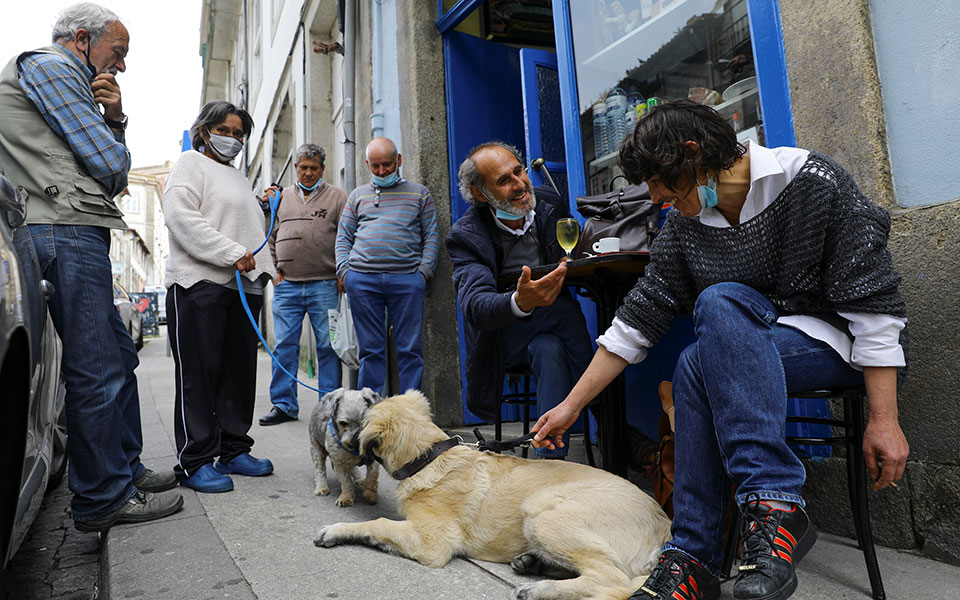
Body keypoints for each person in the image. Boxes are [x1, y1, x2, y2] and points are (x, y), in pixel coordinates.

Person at [531, 100, 909, 600]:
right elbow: (636, 321)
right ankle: (696, 552)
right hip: (745, 349)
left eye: (666, 184)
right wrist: (570, 407)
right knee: (695, 358)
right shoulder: (687, 226)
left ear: (694, 153)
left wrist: (884, 418)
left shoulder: (812, 181)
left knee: (715, 303)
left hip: (837, 343)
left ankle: (759, 510)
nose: (660, 198)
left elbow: (874, 307)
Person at [0, 2, 182, 531]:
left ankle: (124, 471)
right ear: (82, 38)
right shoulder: (53, 66)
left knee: (117, 355)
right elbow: (109, 165)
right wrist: (114, 135)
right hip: (62, 227)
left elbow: (112, 175)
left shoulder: (69, 76)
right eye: (117, 53)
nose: (120, 66)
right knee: (96, 366)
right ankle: (103, 497)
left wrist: (117, 120)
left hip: (72, 224)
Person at [446, 141, 593, 459]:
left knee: (549, 348)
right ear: (481, 194)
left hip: (547, 333)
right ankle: (601, 404)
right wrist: (519, 301)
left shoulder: (549, 204)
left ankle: (548, 464)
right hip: (501, 340)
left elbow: (573, 256)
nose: (519, 184)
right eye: (503, 180)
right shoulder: (466, 235)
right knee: (564, 310)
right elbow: (475, 306)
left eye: (519, 171)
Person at [163, 100, 277, 493]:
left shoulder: (239, 178)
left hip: (243, 289)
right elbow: (181, 218)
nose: (231, 139)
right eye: (224, 130)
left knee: (238, 374)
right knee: (199, 375)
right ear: (205, 131)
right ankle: (194, 460)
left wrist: (265, 269)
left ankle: (233, 449)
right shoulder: (189, 165)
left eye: (238, 134)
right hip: (200, 285)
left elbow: (246, 226)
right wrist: (232, 254)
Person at [335, 137, 440, 394]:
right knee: (370, 350)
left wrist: (423, 274)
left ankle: (409, 411)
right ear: (367, 164)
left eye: (388, 165)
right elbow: (343, 237)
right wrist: (346, 273)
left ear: (399, 160)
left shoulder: (419, 193)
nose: (382, 171)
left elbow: (432, 236)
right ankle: (368, 412)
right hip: (362, 280)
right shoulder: (357, 196)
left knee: (410, 350)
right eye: (376, 166)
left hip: (407, 280)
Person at [258, 143, 348, 426]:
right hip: (287, 285)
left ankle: (330, 408)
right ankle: (284, 405)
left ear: (322, 169)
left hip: (325, 284)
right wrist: (274, 272)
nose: (308, 172)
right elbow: (269, 234)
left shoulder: (337, 197)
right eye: (303, 167)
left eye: (314, 168)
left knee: (327, 346)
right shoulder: (280, 197)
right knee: (284, 345)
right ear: (296, 168)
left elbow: (347, 236)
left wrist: (342, 272)